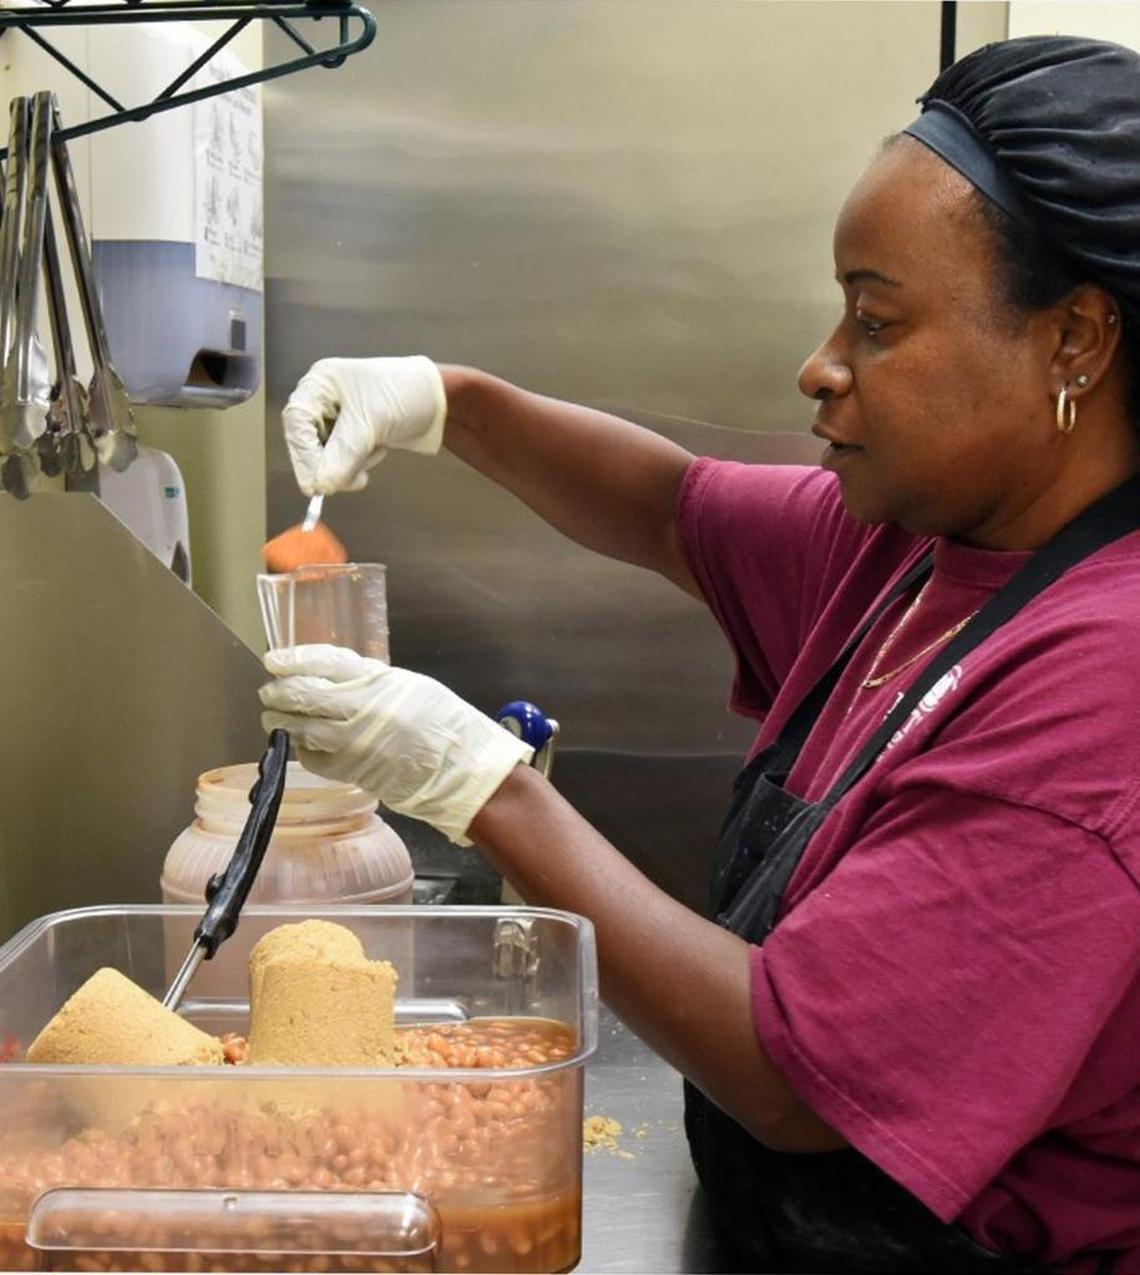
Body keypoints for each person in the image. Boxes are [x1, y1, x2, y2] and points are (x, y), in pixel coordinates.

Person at [260, 35, 1140, 1275]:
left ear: (1076, 342)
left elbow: (793, 1075)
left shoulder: (1105, 689)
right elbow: (669, 504)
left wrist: (480, 785)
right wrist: (450, 403)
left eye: (878, 322)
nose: (821, 365)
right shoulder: (919, 545)